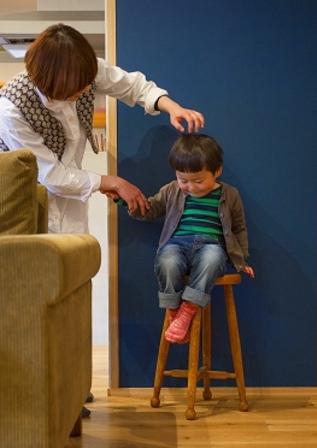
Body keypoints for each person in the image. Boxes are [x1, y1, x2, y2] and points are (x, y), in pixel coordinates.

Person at [0, 23, 205, 415]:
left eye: (86, 84)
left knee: (76, 290)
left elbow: (130, 85)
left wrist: (171, 106)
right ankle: (47, 395)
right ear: (51, 81)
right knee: (41, 299)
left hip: (69, 199)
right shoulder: (12, 107)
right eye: (76, 88)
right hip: (24, 203)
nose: (84, 92)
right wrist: (108, 181)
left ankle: (73, 388)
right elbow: (49, 175)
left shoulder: (84, 69)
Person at [127, 133, 254, 344]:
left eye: (199, 181)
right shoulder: (171, 190)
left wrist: (242, 259)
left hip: (211, 246)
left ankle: (187, 310)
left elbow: (239, 228)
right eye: (183, 180)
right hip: (177, 245)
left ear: (217, 171)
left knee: (213, 257)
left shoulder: (230, 194)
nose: (191, 187)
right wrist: (129, 203)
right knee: (167, 260)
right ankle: (173, 310)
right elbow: (150, 210)